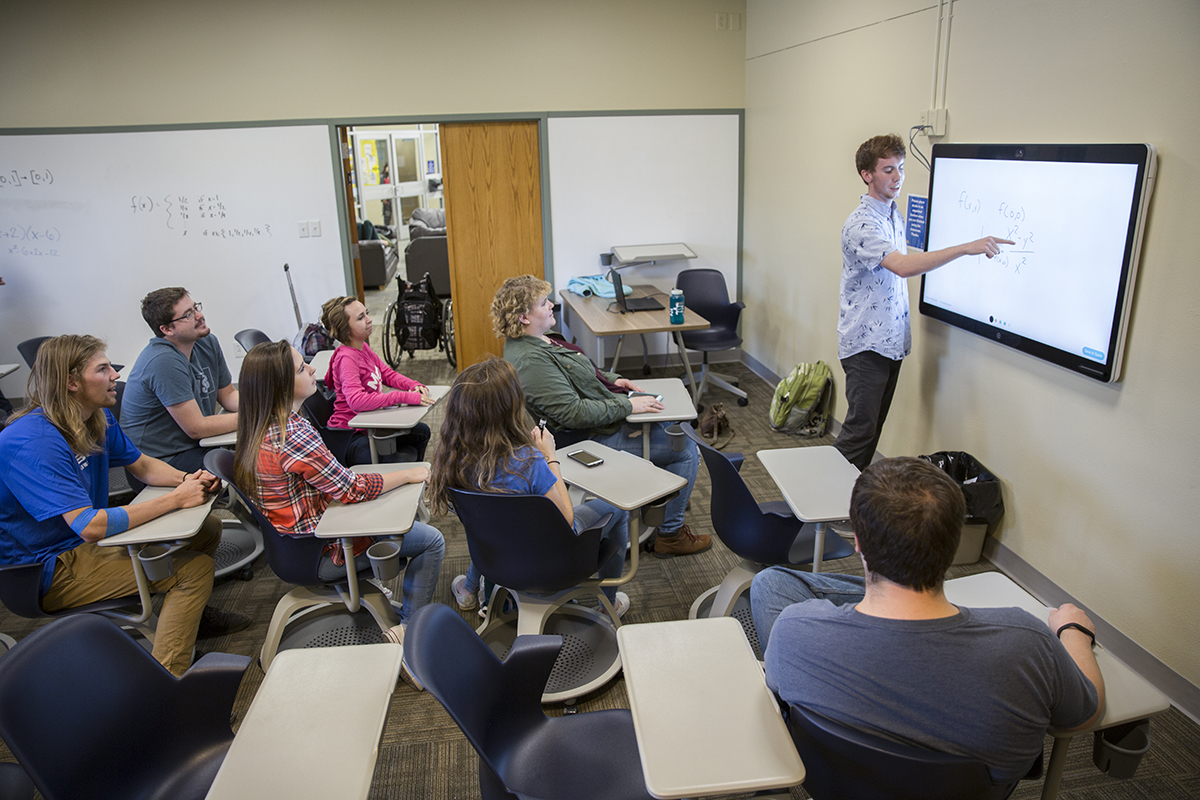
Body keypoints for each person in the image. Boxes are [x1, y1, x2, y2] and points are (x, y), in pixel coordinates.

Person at [751, 457, 1103, 783]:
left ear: (857, 542)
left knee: (770, 583)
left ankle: (892, 597)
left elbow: (779, 697)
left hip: (835, 783)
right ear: (953, 545)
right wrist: (1073, 631)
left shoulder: (795, 630)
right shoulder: (1027, 642)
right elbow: (1085, 715)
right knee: (773, 583)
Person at [0, 335, 249, 676]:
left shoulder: (93, 417)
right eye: (102, 369)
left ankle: (188, 620)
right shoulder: (34, 441)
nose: (115, 375)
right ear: (72, 382)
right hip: (45, 569)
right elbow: (90, 526)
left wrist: (187, 480)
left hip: (84, 545)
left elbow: (143, 465)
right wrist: (175, 499)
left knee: (207, 528)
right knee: (192, 572)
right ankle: (166, 685)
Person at [233, 340, 444, 630]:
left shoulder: (257, 427)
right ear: (282, 386)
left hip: (296, 543)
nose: (312, 369)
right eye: (301, 368)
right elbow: (352, 488)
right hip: (323, 546)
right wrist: (408, 474)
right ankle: (409, 632)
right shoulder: (292, 437)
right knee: (432, 540)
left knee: (394, 504)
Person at [495, 275, 708, 558]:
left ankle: (665, 500)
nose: (551, 306)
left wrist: (615, 380)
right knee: (684, 450)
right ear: (523, 317)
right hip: (582, 440)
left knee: (669, 424)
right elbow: (573, 413)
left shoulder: (541, 340)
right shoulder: (531, 361)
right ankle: (670, 534)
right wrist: (628, 406)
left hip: (597, 419)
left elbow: (585, 371)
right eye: (544, 303)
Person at [835, 135, 1014, 469]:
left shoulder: (892, 214)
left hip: (889, 343)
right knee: (860, 431)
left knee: (872, 429)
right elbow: (902, 267)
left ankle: (851, 504)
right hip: (866, 345)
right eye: (888, 170)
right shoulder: (862, 223)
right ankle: (820, 504)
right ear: (866, 174)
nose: (897, 177)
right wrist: (964, 248)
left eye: (900, 168)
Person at [426, 357, 632, 617]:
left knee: (487, 518)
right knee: (617, 507)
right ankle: (608, 604)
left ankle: (469, 589)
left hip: (495, 558)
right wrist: (550, 456)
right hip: (552, 564)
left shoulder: (452, 458)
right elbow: (567, 518)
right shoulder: (527, 461)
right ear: (510, 407)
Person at [120, 287, 240, 477]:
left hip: (196, 444)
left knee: (266, 445)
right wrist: (256, 416)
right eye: (188, 315)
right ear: (167, 329)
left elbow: (229, 396)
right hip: (161, 461)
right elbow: (196, 428)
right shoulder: (162, 361)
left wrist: (266, 403)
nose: (199, 316)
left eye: (195, 308)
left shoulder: (206, 342)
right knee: (250, 466)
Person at [319, 295, 432, 466]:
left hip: (370, 424)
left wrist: (412, 384)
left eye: (367, 313)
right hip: (350, 435)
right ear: (345, 329)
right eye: (360, 317)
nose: (369, 320)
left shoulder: (362, 346)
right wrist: (402, 397)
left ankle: (413, 482)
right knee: (396, 463)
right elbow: (356, 401)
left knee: (421, 432)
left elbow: (386, 374)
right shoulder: (346, 359)